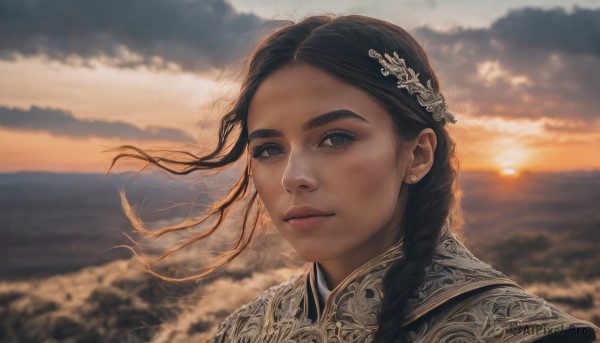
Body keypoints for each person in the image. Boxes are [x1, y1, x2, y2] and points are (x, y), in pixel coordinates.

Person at [109, 15, 600, 342]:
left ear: (418, 154)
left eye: (336, 138)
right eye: (269, 149)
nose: (293, 178)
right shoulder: (243, 331)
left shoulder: (528, 335)